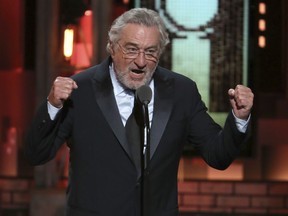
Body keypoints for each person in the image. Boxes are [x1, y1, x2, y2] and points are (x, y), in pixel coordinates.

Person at [25, 7, 254, 216]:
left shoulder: (182, 92)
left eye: (150, 51)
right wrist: (52, 105)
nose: (141, 61)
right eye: (132, 49)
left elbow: (218, 155)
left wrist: (239, 119)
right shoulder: (80, 90)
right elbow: (37, 154)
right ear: (112, 48)